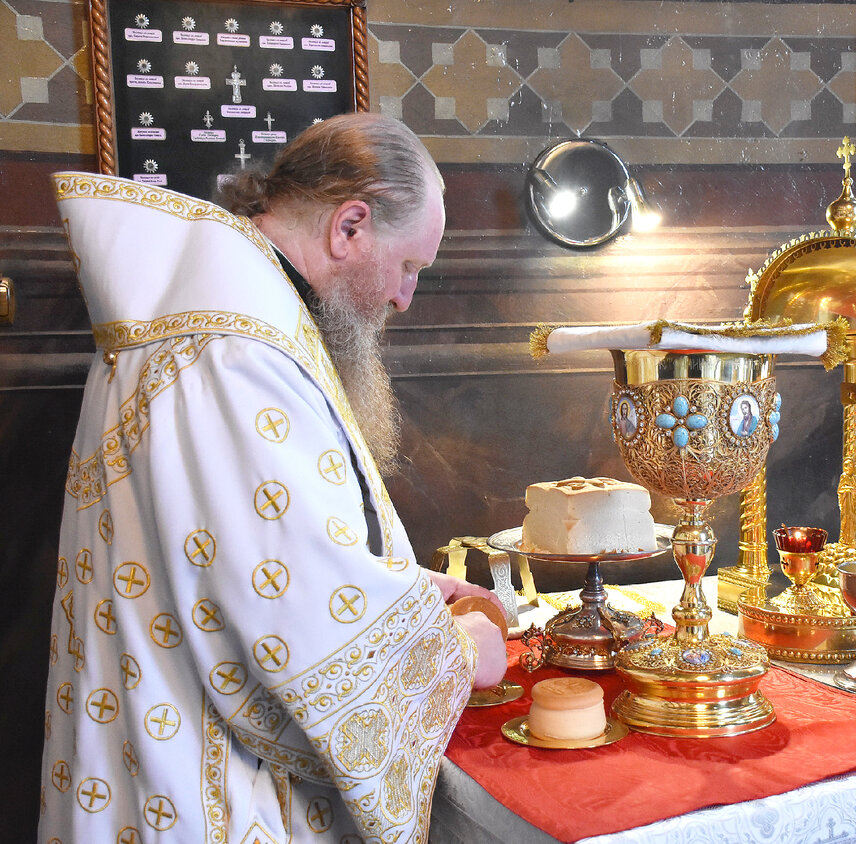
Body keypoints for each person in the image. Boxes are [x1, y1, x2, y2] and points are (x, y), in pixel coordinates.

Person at [39, 113, 507, 844]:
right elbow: (295, 620)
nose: (405, 298)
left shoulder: (224, 309)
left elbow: (254, 557)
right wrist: (458, 651)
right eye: (410, 266)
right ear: (350, 226)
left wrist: (407, 592)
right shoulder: (236, 351)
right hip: (203, 780)